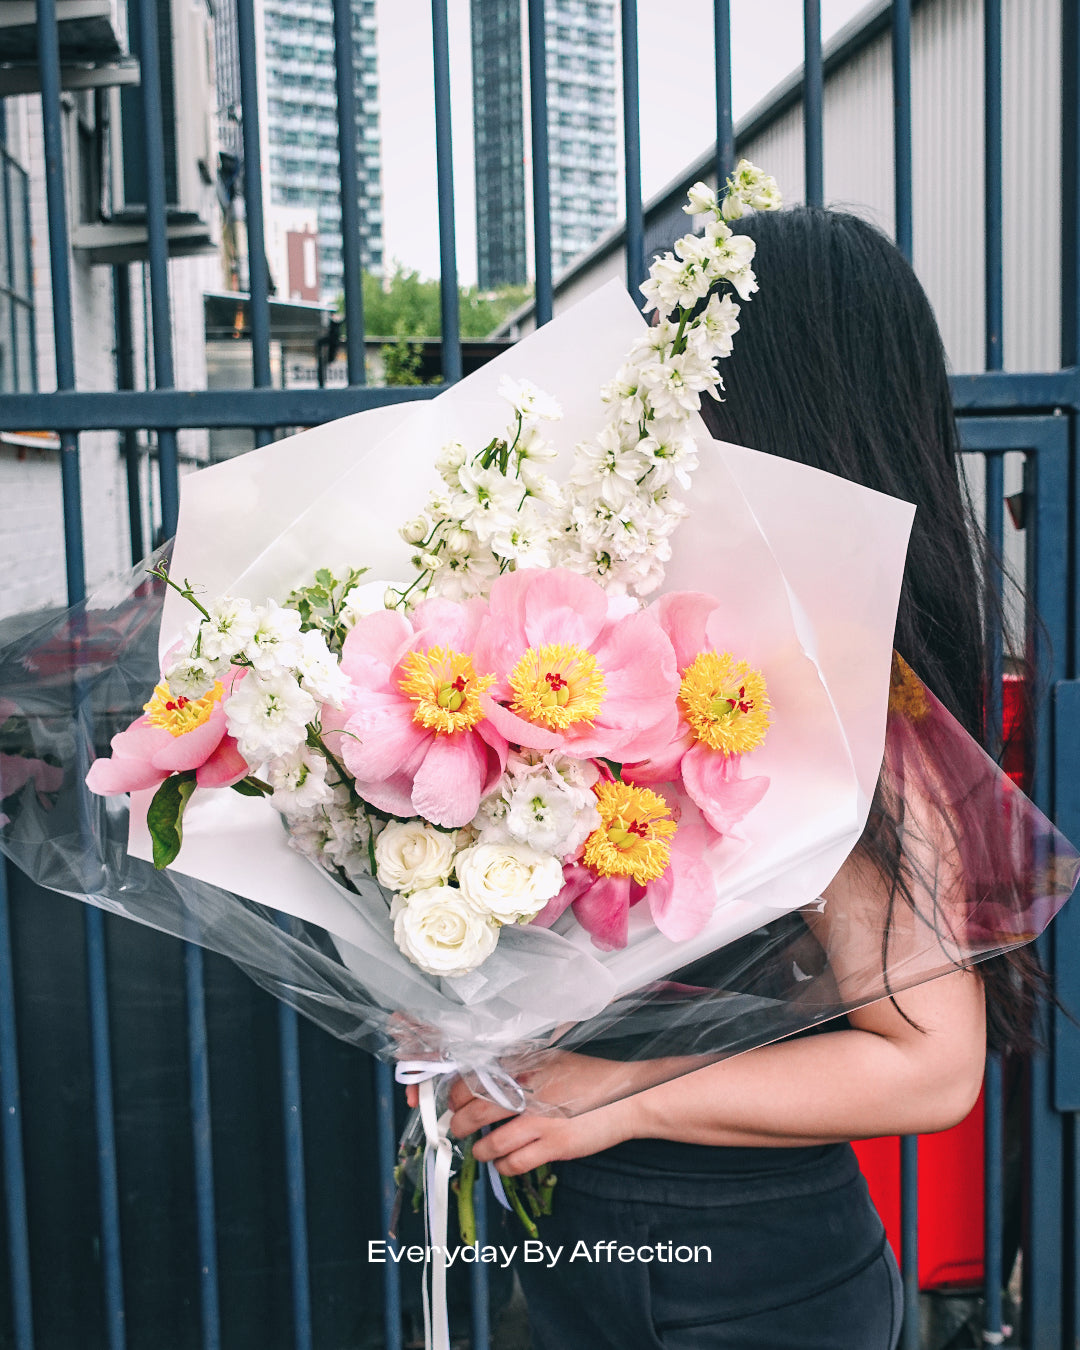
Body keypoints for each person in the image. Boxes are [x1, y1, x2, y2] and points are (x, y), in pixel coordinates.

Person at [409, 206, 1043, 1349]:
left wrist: (615, 1093)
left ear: (764, 406)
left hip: (739, 1290)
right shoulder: (653, 645)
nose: (651, 413)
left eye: (680, 376)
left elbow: (932, 1070)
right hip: (591, 1255)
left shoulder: (840, 693)